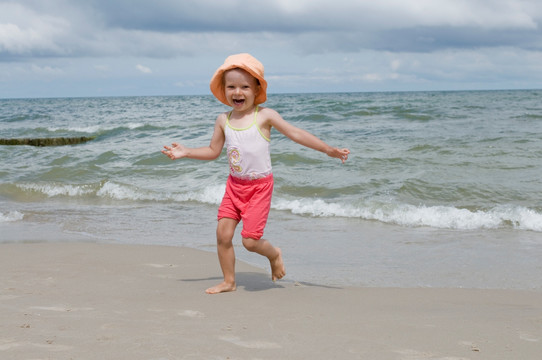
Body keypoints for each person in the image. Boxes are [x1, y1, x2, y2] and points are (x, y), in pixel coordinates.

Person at [162, 53, 350, 294]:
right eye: (231, 86)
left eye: (244, 87)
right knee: (223, 234)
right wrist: (186, 152)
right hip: (234, 186)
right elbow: (212, 151)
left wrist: (328, 150)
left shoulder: (265, 116)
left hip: (259, 187)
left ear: (256, 89)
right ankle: (229, 281)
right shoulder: (223, 120)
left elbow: (295, 133)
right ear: (224, 89)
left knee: (250, 241)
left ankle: (274, 254)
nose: (237, 92)